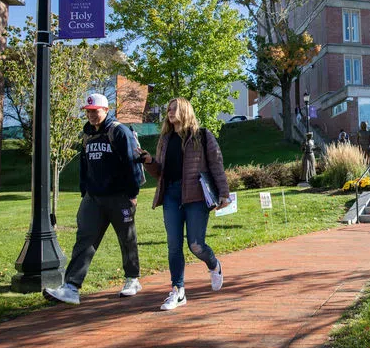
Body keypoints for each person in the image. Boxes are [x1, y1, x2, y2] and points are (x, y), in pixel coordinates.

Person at [43, 93, 145, 305]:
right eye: (88, 111)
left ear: (106, 110)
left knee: (127, 239)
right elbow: (84, 164)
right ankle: (71, 287)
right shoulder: (87, 134)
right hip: (93, 197)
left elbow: (132, 162)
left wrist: (133, 194)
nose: (90, 114)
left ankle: (132, 278)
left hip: (119, 196)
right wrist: (84, 191)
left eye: (95, 111)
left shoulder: (119, 131)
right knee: (84, 240)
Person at [138, 98, 231, 311]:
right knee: (173, 245)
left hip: (196, 196)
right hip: (170, 194)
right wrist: (150, 161)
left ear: (185, 110)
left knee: (196, 245)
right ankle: (177, 291)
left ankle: (214, 265)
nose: (170, 112)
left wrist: (224, 194)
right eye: (168, 109)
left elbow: (216, 165)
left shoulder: (202, 136)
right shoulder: (165, 139)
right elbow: (160, 172)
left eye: (174, 109)